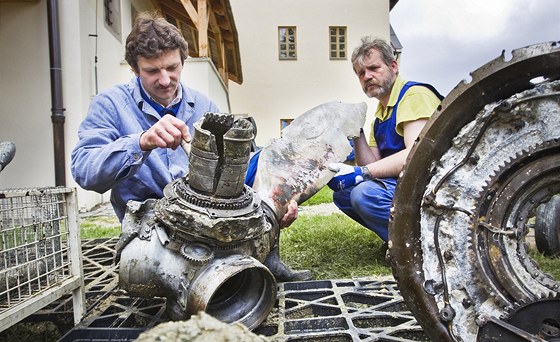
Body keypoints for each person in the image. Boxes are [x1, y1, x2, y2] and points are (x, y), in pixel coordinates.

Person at [71, 11, 304, 281]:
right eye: (152, 71)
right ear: (135, 70)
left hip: (208, 221)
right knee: (149, 272)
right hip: (151, 229)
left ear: (183, 61)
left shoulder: (204, 106)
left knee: (263, 163)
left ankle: (265, 257)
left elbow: (235, 173)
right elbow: (84, 170)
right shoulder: (109, 105)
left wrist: (277, 198)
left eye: (172, 68)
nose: (165, 80)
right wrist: (140, 142)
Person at [327, 37, 443, 243]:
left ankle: (415, 245)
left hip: (431, 185)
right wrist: (357, 132)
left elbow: (417, 157)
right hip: (406, 183)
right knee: (344, 195)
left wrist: (359, 172)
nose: (367, 76)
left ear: (393, 66)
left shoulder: (414, 96)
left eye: (374, 68)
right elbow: (372, 166)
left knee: (365, 195)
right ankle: (397, 240)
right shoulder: (380, 114)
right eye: (361, 73)